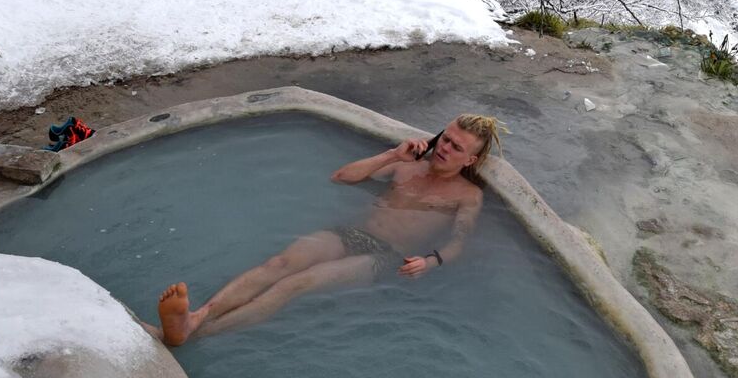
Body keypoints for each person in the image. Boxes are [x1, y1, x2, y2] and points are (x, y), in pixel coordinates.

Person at [150, 113, 505, 346]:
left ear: (470, 159)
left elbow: (459, 242)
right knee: (278, 265)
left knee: (294, 284)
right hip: (351, 233)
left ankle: (194, 336)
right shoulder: (407, 166)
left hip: (385, 257)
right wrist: (392, 156)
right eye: (446, 138)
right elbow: (341, 178)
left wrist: (430, 262)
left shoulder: (467, 196)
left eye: (457, 147)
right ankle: (195, 319)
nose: (444, 148)